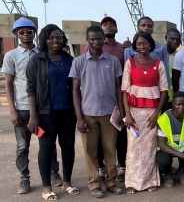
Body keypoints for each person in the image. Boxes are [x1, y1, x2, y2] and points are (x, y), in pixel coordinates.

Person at [4, 18, 62, 194]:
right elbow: (8, 82)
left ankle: (54, 173)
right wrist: (12, 110)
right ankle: (24, 178)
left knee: (49, 144)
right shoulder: (11, 56)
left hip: (44, 107)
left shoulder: (42, 54)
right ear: (16, 34)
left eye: (29, 31)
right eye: (21, 32)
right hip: (22, 108)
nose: (26, 34)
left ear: (35, 33)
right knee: (23, 146)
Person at [26, 24, 78, 200]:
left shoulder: (69, 59)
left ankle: (67, 182)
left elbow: (76, 86)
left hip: (67, 111)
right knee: (46, 148)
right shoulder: (37, 60)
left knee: (68, 146)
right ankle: (46, 187)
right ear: (44, 40)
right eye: (51, 38)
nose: (55, 41)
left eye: (58, 37)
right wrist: (33, 116)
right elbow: (31, 89)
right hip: (46, 113)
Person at [70, 26, 123, 198]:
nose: (96, 42)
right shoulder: (78, 62)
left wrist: (121, 113)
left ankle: (111, 181)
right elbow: (75, 91)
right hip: (88, 113)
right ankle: (94, 184)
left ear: (104, 39)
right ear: (88, 40)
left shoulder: (113, 61)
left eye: (99, 38)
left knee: (110, 149)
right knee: (90, 150)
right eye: (92, 39)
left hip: (109, 112)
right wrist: (79, 117)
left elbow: (118, 88)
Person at [121, 31, 169, 194]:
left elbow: (164, 90)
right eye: (139, 44)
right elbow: (124, 91)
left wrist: (157, 113)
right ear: (135, 46)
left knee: (149, 148)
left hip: (152, 113)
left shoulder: (158, 63)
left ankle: (150, 181)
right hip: (134, 112)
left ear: (150, 45)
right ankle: (132, 183)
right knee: (134, 148)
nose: (142, 46)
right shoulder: (130, 63)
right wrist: (127, 114)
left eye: (145, 43)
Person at [83, 16, 127, 182]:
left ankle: (118, 170)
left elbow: (119, 83)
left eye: (112, 24)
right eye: (105, 24)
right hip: (92, 105)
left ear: (116, 29)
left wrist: (121, 108)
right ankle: (99, 173)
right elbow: (80, 82)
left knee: (116, 140)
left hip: (114, 102)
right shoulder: (85, 54)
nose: (109, 26)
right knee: (95, 144)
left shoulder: (122, 50)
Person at [124, 16, 170, 85]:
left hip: (156, 89)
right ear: (138, 28)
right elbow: (127, 74)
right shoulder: (129, 50)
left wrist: (165, 91)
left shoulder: (162, 48)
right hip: (136, 90)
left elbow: (165, 71)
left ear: (152, 29)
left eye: (149, 26)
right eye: (143, 25)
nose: (146, 28)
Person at [165, 28, 182, 108]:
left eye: (178, 40)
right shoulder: (158, 54)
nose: (175, 42)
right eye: (172, 39)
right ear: (166, 38)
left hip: (174, 98)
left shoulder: (180, 56)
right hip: (159, 98)